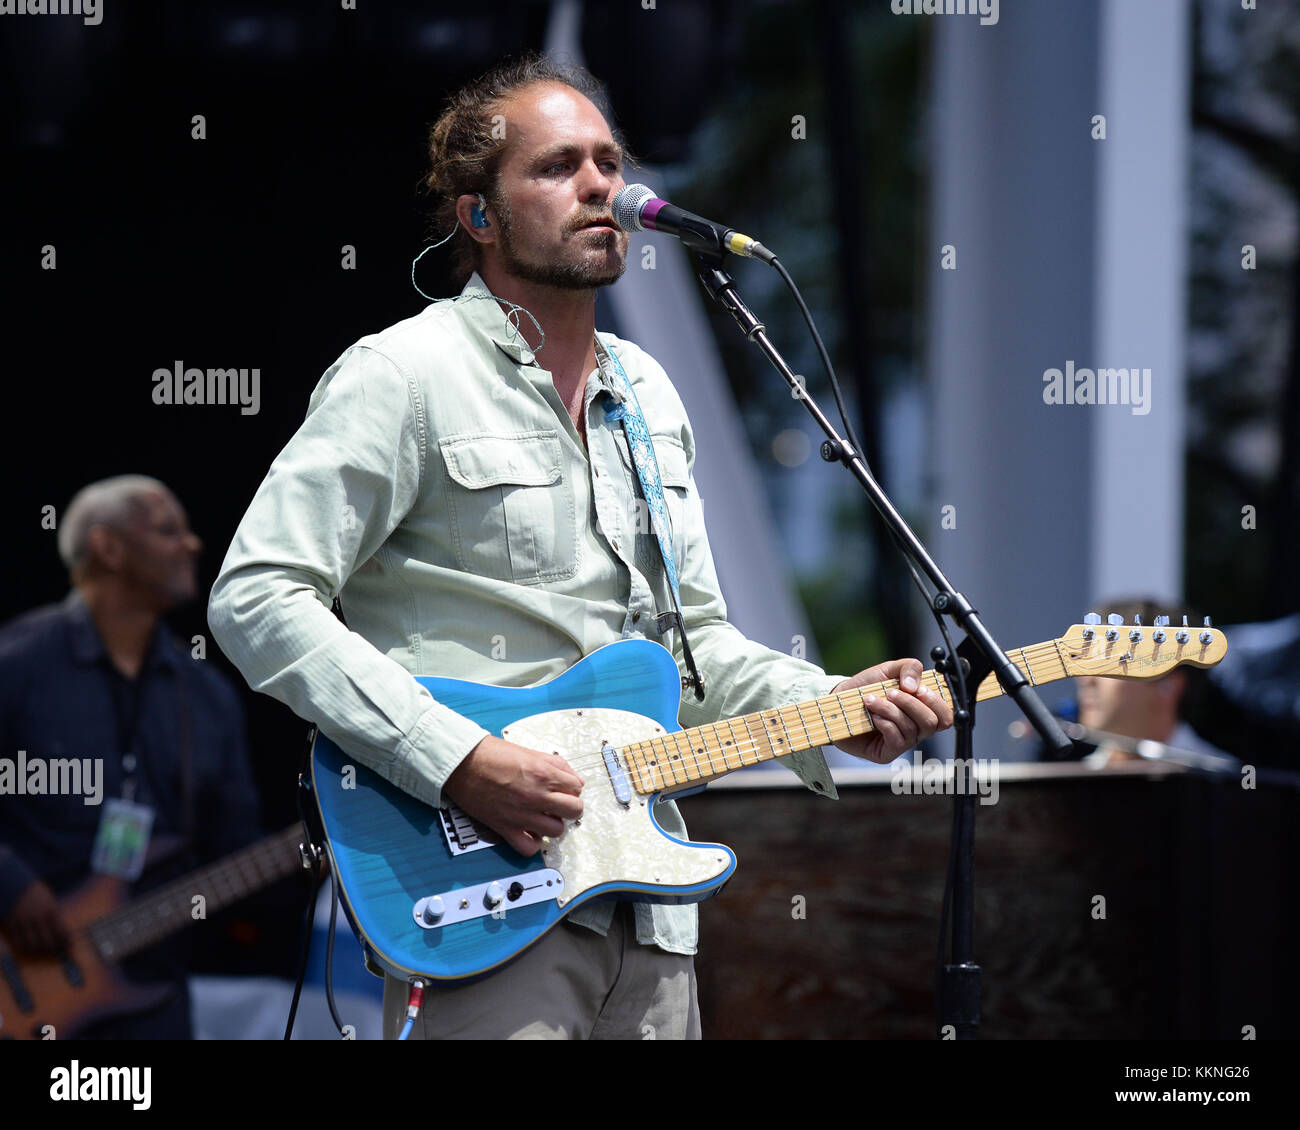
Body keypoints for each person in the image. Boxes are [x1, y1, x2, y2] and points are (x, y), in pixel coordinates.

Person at [207, 55, 953, 1040]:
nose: (602, 183)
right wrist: (458, 757)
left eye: (608, 160)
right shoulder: (403, 373)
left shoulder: (646, 391)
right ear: (478, 215)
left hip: (647, 906)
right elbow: (257, 596)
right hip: (482, 899)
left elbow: (698, 649)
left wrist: (828, 708)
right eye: (559, 166)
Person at [0, 475, 263, 1039]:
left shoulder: (210, 697)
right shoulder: (16, 664)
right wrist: (10, 884)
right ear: (108, 547)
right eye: (168, 530)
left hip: (153, 999)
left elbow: (238, 846)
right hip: (20, 987)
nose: (192, 544)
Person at [1075, 596, 1233, 770]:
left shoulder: (1226, 783)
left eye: (1107, 663)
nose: (1086, 679)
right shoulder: (1070, 785)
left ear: (1167, 684)